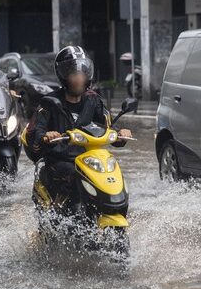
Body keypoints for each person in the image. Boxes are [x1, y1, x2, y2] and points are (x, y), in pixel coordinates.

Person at [32, 46, 132, 210]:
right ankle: (61, 212)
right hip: (60, 160)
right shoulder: (49, 102)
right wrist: (47, 136)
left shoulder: (93, 100)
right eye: (73, 73)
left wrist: (120, 134)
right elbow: (37, 132)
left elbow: (110, 125)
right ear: (63, 75)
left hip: (89, 159)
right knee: (72, 174)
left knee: (113, 174)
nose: (79, 78)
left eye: (82, 73)